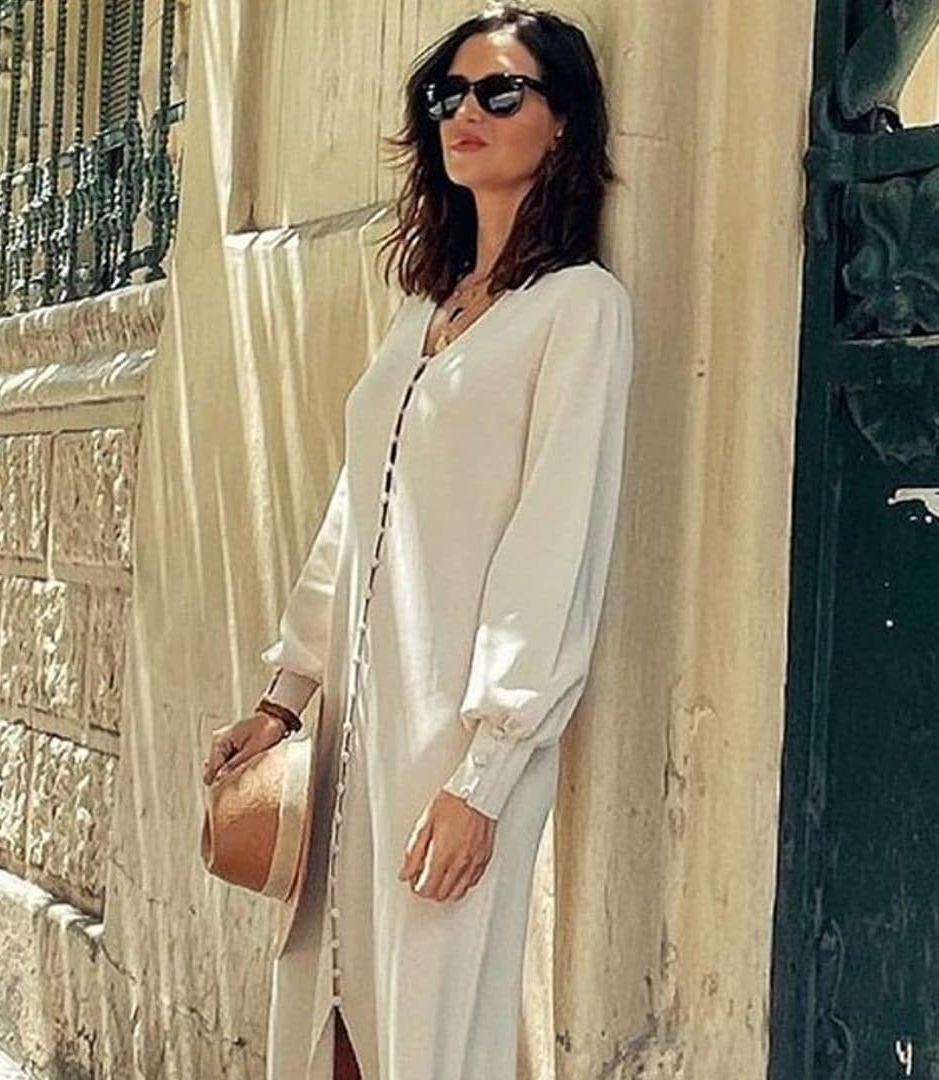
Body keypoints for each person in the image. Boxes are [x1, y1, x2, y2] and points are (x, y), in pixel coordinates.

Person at [200, 6, 634, 1078]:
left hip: (456, 743)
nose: (464, 113)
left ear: (563, 123)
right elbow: (356, 510)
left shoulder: (578, 309)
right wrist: (284, 699)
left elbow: (555, 544)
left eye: (500, 91)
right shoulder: (423, 311)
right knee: (329, 1019)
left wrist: (485, 776)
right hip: (351, 734)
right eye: (448, 95)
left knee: (433, 1031)